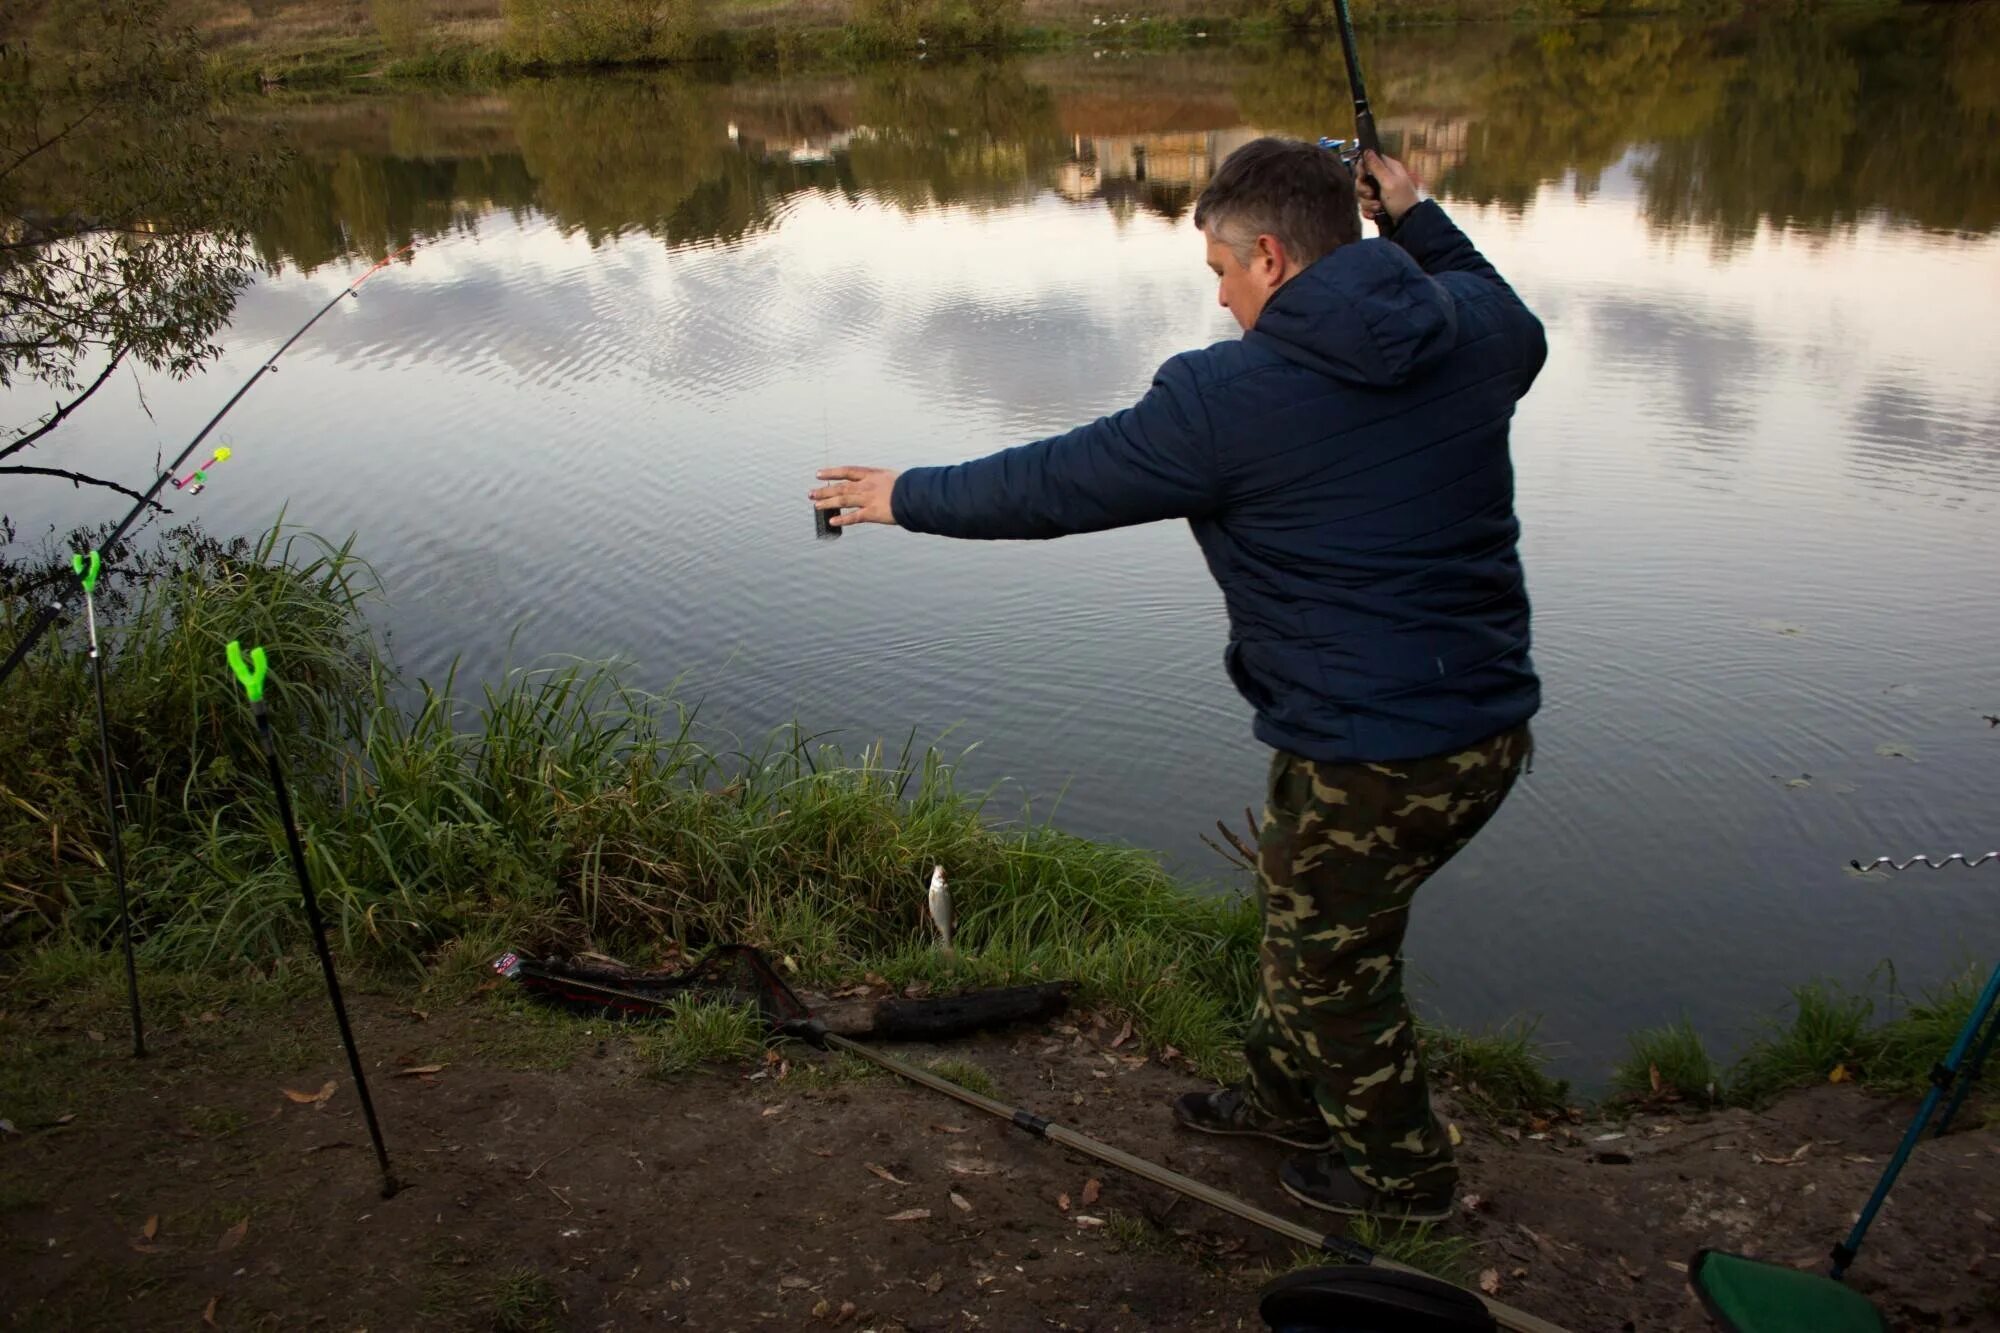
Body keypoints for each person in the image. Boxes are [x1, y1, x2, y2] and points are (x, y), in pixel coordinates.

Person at [809, 140, 1545, 1223]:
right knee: (1305, 917)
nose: (1219, 294)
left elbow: (1055, 482)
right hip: (1474, 725)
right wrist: (1417, 216)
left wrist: (901, 494)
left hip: (1376, 747)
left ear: (1271, 258)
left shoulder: (1231, 397)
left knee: (1330, 965)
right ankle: (1283, 1099)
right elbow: (1501, 305)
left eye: (1220, 271)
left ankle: (1404, 1183)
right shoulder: (1468, 336)